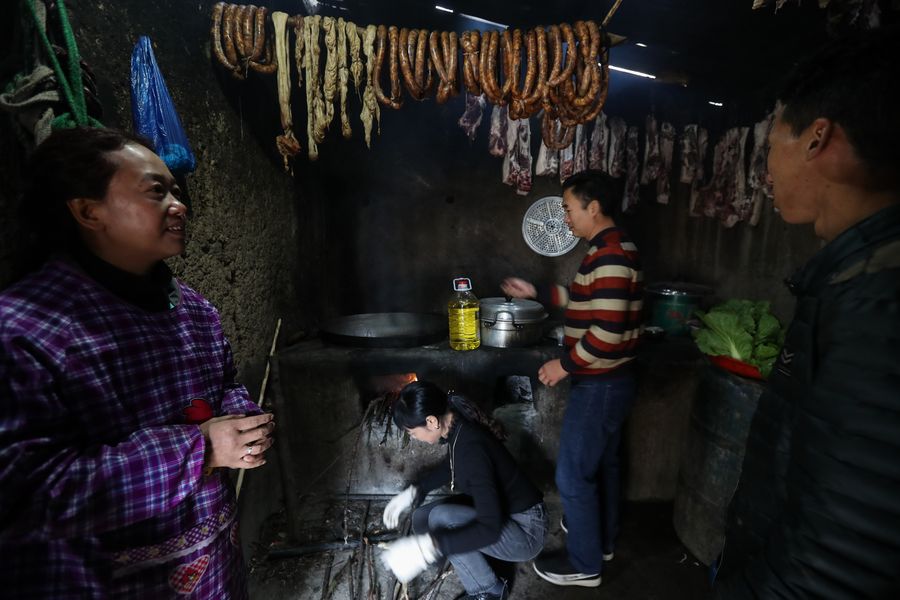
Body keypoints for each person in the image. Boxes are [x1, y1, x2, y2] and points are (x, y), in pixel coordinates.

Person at [0, 127, 275, 598]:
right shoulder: (24, 327)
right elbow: (23, 495)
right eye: (156, 191)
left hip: (213, 575)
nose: (179, 205)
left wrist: (241, 418)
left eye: (176, 192)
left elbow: (224, 384)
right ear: (88, 211)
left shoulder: (194, 310)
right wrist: (201, 449)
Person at [713, 26, 900, 599]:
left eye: (773, 144)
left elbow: (841, 559)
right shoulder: (859, 277)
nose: (766, 169)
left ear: (820, 139)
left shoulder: (876, 304)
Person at [502, 170, 643, 588]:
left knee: (572, 476)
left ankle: (584, 565)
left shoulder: (611, 256)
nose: (565, 217)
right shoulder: (610, 248)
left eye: (568, 208)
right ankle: (602, 544)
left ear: (592, 207)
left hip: (601, 384)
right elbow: (586, 300)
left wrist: (563, 366)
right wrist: (538, 292)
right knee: (604, 465)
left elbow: (607, 332)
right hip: (613, 381)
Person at [379, 380, 547, 600]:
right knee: (422, 517)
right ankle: (470, 556)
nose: (414, 438)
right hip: (507, 510)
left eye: (412, 433)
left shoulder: (471, 447)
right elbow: (452, 464)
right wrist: (416, 491)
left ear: (431, 421)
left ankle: (489, 591)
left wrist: (430, 546)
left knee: (441, 520)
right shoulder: (457, 424)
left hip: (526, 531)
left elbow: (490, 528)